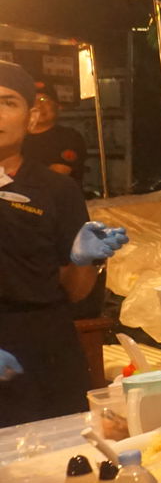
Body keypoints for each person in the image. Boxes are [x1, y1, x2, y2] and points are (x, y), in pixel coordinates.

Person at [0, 63, 126, 426]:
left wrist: (83, 259)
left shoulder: (57, 190)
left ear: (32, 115)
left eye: (9, 102)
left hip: (48, 347)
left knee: (66, 460)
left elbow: (74, 292)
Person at [24, 84, 89, 185]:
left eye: (43, 100)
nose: (38, 105)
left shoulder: (69, 137)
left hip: (57, 199)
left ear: (58, 107)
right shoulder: (13, 137)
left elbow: (56, 176)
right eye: (32, 101)